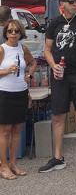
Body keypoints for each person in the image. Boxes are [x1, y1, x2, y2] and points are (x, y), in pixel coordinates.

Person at [40, 0, 76, 174]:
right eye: (71, 1)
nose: (75, 4)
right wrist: (53, 65)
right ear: (62, 4)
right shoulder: (54, 23)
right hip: (60, 75)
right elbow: (47, 49)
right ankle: (57, 157)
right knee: (58, 116)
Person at [0, 20, 36, 179]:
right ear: (5, 33)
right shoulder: (2, 49)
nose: (13, 34)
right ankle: (4, 166)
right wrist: (6, 71)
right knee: (4, 131)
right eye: (10, 31)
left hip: (20, 92)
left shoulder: (23, 48)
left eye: (16, 31)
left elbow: (33, 62)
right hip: (5, 93)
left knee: (17, 130)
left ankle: (13, 163)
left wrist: (29, 74)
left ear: (21, 33)